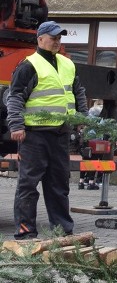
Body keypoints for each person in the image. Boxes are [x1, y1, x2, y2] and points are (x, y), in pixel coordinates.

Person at [5, 19, 88, 240]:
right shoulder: (28, 65)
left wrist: (82, 118)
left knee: (59, 183)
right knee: (28, 184)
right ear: (40, 39)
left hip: (60, 133)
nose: (56, 42)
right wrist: (16, 125)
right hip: (34, 135)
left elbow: (77, 92)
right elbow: (14, 97)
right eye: (53, 38)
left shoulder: (67, 64)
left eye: (59, 38)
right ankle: (25, 230)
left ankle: (62, 230)